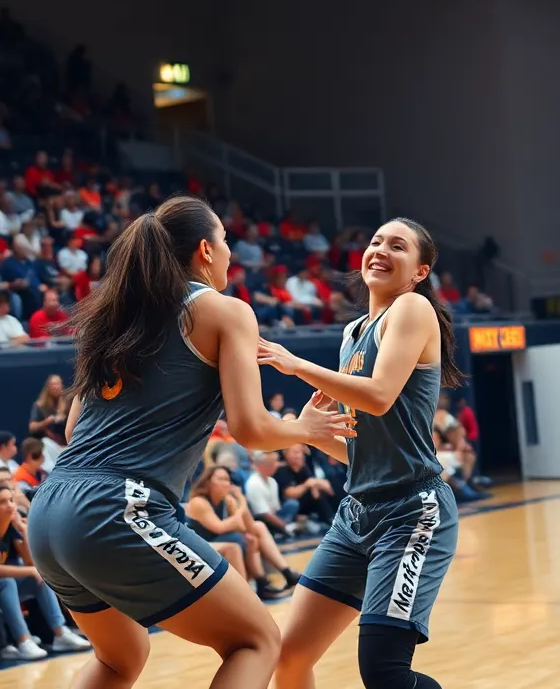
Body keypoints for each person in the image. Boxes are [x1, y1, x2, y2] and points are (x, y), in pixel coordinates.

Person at [25, 195, 354, 689]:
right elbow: (250, 429)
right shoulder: (225, 311)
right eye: (225, 241)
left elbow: (74, 431)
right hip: (117, 507)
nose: (229, 253)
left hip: (49, 512)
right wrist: (304, 429)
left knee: (121, 657)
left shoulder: (113, 318)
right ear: (204, 249)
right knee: (257, 639)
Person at [256, 217, 463, 689]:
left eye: (397, 246)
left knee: (384, 673)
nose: (380, 250)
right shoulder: (353, 333)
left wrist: (297, 365)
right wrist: (306, 432)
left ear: (419, 272)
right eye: (375, 241)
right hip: (355, 513)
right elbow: (359, 448)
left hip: (411, 510)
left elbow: (379, 395)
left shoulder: (411, 308)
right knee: (289, 658)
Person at [0, 484, 90, 661]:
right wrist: (30, 570)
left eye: (11, 500)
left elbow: (31, 562)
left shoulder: (10, 530)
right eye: (2, 502)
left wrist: (23, 530)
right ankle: (23, 640)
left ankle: (60, 633)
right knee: (7, 581)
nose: (9, 505)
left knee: (41, 578)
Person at [185, 466, 299, 600]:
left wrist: (239, 503)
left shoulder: (226, 500)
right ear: (208, 481)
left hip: (219, 541)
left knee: (255, 533)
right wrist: (242, 503)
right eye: (221, 479)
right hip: (199, 546)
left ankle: (269, 580)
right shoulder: (199, 502)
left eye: (227, 479)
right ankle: (246, 594)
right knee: (236, 539)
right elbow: (219, 528)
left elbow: (246, 527)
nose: (226, 483)